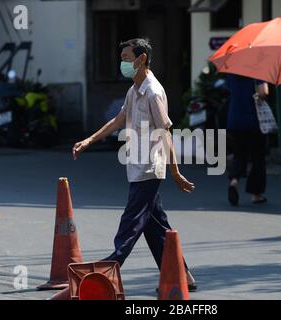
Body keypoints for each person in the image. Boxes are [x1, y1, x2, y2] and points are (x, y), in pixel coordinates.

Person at [72, 38, 197, 291]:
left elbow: (165, 133)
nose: (123, 63)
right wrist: (89, 140)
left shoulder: (153, 91)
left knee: (131, 221)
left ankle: (110, 266)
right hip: (137, 166)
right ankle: (181, 274)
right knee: (155, 226)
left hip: (150, 167)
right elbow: (120, 119)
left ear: (141, 59)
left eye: (127, 58)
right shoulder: (133, 91)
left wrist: (175, 172)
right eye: (122, 58)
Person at [226, 74, 269, 206]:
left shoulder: (233, 71)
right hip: (255, 120)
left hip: (235, 118)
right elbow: (264, 92)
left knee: (239, 153)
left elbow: (229, 89)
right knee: (258, 157)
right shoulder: (258, 70)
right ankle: (256, 194)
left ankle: (234, 181)